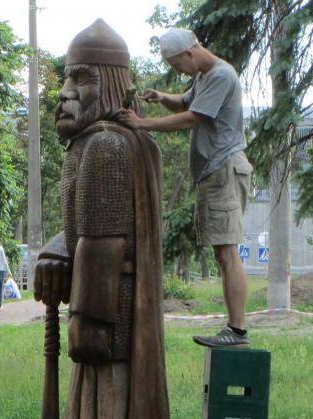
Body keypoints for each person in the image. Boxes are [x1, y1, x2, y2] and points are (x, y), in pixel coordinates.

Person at [27, 19, 178, 419]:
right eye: (66, 78)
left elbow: (104, 241)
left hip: (109, 309)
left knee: (108, 403)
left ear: (111, 84)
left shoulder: (109, 147)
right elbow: (80, 226)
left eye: (82, 79)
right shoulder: (92, 145)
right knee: (91, 404)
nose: (65, 93)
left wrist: (87, 317)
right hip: (101, 303)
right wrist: (55, 251)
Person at [118, 28, 252, 348]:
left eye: (178, 65)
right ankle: (234, 328)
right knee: (222, 251)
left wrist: (142, 124)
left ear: (190, 53)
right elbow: (184, 102)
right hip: (213, 172)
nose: (179, 71)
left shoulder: (221, 75)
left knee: (227, 250)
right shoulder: (203, 76)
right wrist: (162, 97)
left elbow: (192, 117)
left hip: (224, 169)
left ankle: (237, 331)